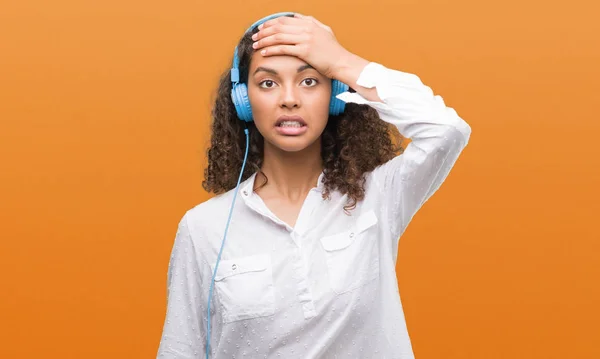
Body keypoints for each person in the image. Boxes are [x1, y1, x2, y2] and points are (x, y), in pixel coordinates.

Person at [157, 11, 471, 359]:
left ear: (335, 96)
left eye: (309, 81)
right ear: (243, 102)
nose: (289, 99)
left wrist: (342, 62)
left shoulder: (377, 197)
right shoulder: (203, 228)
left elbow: (446, 130)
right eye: (268, 83)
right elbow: (179, 350)